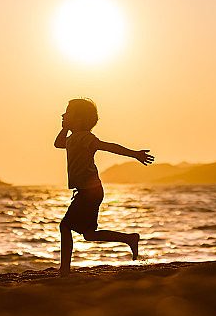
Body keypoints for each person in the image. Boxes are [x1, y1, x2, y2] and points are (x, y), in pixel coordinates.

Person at [54, 98, 154, 276]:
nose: (63, 115)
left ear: (79, 119)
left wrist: (134, 154)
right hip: (86, 191)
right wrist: (65, 126)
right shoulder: (72, 139)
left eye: (67, 113)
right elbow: (58, 143)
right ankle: (129, 239)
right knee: (89, 234)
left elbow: (108, 147)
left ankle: (64, 270)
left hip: (89, 191)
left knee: (65, 226)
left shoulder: (85, 137)